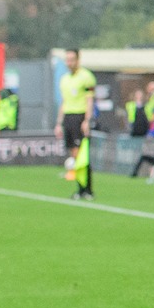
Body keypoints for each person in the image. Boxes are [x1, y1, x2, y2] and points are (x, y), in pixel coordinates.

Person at [58, 50, 97, 199]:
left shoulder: (86, 77)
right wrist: (59, 122)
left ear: (78, 60)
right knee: (74, 155)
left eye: (72, 59)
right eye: (67, 60)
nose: (69, 63)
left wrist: (87, 120)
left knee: (82, 156)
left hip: (80, 117)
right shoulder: (64, 79)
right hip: (68, 117)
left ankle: (88, 190)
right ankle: (80, 189)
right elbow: (64, 102)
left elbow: (89, 100)